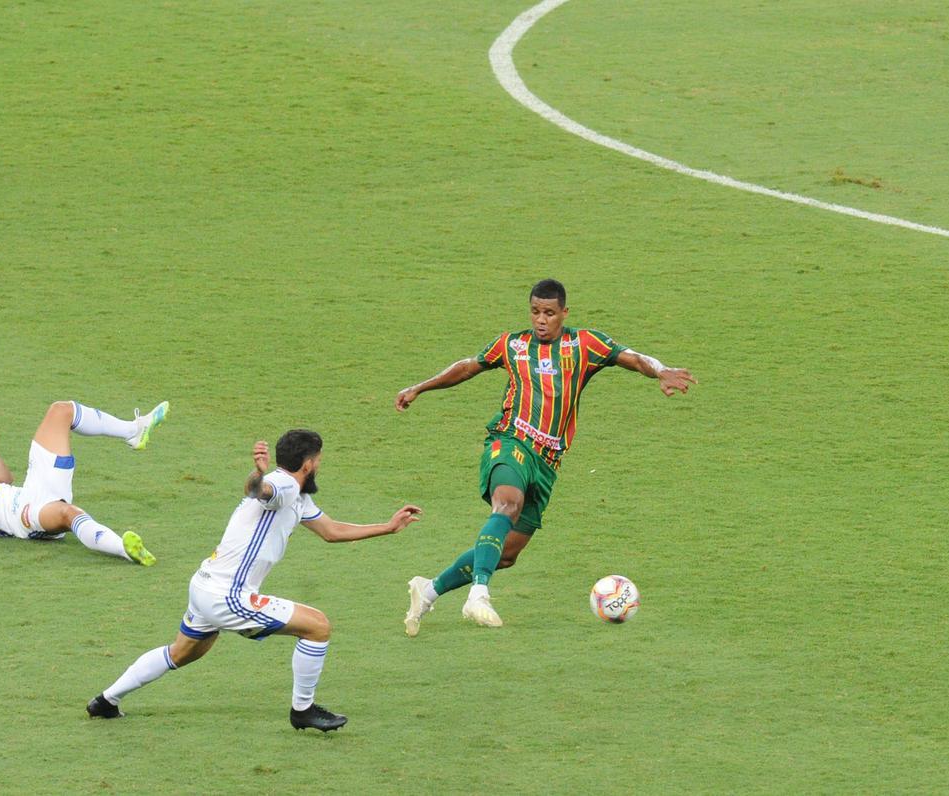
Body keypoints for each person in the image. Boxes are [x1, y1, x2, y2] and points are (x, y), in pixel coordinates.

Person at [396, 278, 695, 632]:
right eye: (536, 311)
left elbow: (633, 358)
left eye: (549, 313)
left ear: (564, 313)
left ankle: (427, 591)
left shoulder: (584, 344)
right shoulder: (512, 345)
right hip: (510, 442)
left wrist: (661, 370)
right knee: (507, 504)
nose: (541, 319)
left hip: (548, 462)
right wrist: (419, 387)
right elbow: (467, 366)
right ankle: (477, 595)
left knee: (505, 554)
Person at [86, 429, 423, 732]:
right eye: (319, 460)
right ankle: (302, 711)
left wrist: (388, 526)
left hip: (204, 584)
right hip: (228, 595)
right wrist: (257, 475)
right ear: (307, 464)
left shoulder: (299, 496)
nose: (320, 465)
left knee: (181, 653)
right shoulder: (284, 486)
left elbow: (331, 531)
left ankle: (106, 701)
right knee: (318, 627)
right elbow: (258, 490)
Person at [0, 400, 168, 564]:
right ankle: (124, 549)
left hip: (31, 489)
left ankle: (134, 430)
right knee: (69, 513)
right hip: (23, 518)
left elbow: (3, 480)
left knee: (62, 411)